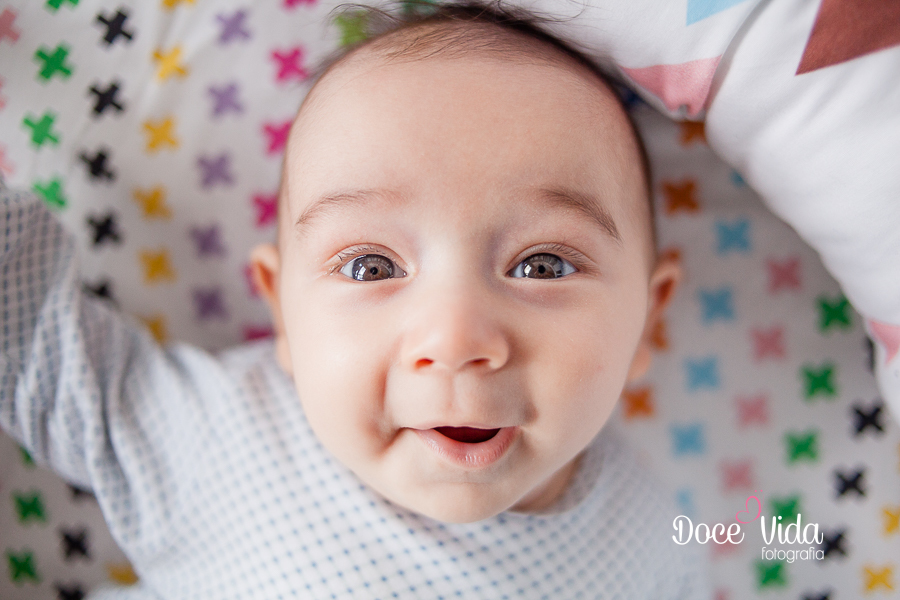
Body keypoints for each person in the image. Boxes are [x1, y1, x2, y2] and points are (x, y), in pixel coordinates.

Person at [0, 2, 706, 597]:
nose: (455, 339)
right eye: (370, 267)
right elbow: (31, 339)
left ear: (647, 319)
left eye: (542, 265)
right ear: (283, 310)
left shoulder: (656, 537)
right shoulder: (223, 445)